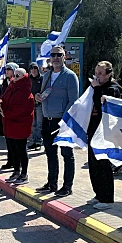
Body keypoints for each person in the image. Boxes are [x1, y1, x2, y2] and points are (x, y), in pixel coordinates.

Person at [35, 46, 79, 197]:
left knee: (67, 154)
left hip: (62, 121)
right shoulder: (47, 75)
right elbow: (43, 95)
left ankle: (67, 186)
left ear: (64, 57)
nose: (55, 58)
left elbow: (73, 101)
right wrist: (38, 97)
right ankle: (51, 183)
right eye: (53, 55)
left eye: (58, 55)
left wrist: (63, 120)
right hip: (47, 120)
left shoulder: (70, 76)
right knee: (50, 154)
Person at [86, 61, 120, 210]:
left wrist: (97, 89)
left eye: (101, 73)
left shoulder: (113, 88)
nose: (97, 76)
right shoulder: (94, 87)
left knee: (103, 164)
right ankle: (98, 194)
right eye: (96, 72)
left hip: (106, 131)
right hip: (93, 129)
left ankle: (107, 198)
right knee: (93, 163)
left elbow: (103, 107)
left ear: (109, 74)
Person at [0, 67, 35, 184]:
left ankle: (24, 174)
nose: (14, 77)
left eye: (17, 75)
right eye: (14, 75)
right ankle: (16, 171)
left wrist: (6, 113)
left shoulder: (25, 90)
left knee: (21, 149)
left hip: (20, 124)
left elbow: (20, 108)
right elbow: (5, 99)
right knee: (13, 149)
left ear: (23, 77)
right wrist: (0, 102)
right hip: (9, 123)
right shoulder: (11, 86)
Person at [0, 63, 18, 170]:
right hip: (5, 114)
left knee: (15, 140)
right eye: (6, 69)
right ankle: (10, 161)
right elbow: (1, 96)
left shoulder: (17, 83)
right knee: (8, 139)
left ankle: (16, 163)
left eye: (9, 69)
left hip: (14, 114)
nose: (7, 71)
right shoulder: (5, 83)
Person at [27, 63, 43, 151]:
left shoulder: (42, 78)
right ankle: (33, 141)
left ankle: (38, 142)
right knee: (33, 124)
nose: (33, 70)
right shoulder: (28, 80)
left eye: (35, 68)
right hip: (31, 104)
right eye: (32, 69)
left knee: (39, 124)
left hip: (40, 104)